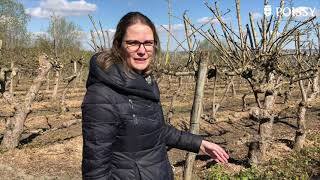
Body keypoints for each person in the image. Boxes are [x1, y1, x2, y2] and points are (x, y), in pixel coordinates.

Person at [81, 11, 229, 180]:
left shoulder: (144, 82)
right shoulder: (102, 95)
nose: (142, 50)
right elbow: (95, 169)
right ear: (118, 45)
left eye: (148, 43)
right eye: (133, 43)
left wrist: (199, 143)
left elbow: (155, 130)